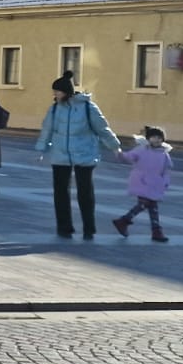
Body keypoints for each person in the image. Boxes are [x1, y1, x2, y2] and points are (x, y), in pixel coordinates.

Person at [35, 70, 120, 240]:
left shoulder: (88, 108)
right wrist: (41, 149)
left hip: (84, 154)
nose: (55, 95)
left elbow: (102, 129)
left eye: (57, 92)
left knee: (85, 192)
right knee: (60, 192)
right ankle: (64, 227)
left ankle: (89, 228)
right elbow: (47, 130)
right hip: (60, 154)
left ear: (66, 92)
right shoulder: (54, 109)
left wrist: (114, 146)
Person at [113, 126, 172, 243]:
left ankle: (126, 222)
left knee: (152, 207)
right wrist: (119, 153)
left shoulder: (164, 154)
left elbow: (166, 170)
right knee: (145, 204)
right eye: (154, 137)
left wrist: (165, 182)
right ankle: (153, 230)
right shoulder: (142, 150)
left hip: (155, 184)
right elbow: (128, 157)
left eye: (159, 137)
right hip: (142, 182)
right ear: (148, 139)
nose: (157, 140)